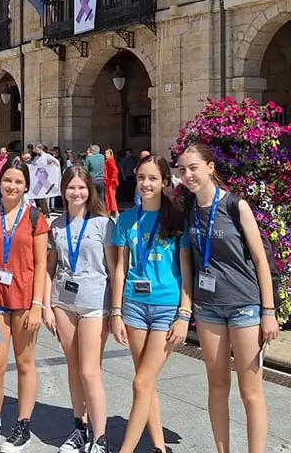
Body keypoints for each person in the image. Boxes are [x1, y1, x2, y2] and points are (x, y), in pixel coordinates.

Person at [176, 143, 279, 453]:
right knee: (217, 385)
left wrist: (269, 311)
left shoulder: (236, 206)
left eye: (194, 167)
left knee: (250, 390)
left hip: (244, 306)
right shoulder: (189, 210)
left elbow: (261, 261)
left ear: (210, 168)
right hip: (208, 309)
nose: (188, 174)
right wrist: (186, 308)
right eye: (183, 169)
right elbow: (188, 261)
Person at [110, 154, 192, 453]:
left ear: (165, 182)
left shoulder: (177, 218)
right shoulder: (127, 218)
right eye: (142, 177)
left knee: (142, 382)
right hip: (133, 306)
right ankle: (159, 446)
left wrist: (184, 313)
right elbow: (120, 268)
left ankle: (126, 450)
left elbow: (186, 270)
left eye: (153, 178)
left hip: (166, 308)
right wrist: (116, 312)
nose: (146, 183)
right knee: (146, 380)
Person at [0, 159, 49, 453]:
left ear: (26, 186)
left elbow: (42, 264)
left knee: (25, 363)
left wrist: (37, 305)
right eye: (8, 180)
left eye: (18, 182)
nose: (12, 186)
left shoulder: (35, 219)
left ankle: (23, 425)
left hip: (24, 302)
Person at [43, 166, 116, 453]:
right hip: (63, 302)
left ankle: (100, 438)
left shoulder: (103, 224)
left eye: (81, 187)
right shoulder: (57, 225)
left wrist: (115, 310)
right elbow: (50, 267)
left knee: (89, 370)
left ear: (89, 190)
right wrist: (47, 305)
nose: (76, 192)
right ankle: (79, 428)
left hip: (95, 303)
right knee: (73, 369)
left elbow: (113, 269)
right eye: (71, 187)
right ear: (63, 190)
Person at [103, 149, 120, 217]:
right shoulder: (109, 161)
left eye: (107, 153)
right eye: (105, 153)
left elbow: (115, 170)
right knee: (110, 197)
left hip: (110, 182)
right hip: (110, 182)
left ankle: (112, 211)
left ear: (110, 154)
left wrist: (111, 179)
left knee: (110, 197)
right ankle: (112, 211)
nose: (105, 154)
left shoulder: (109, 161)